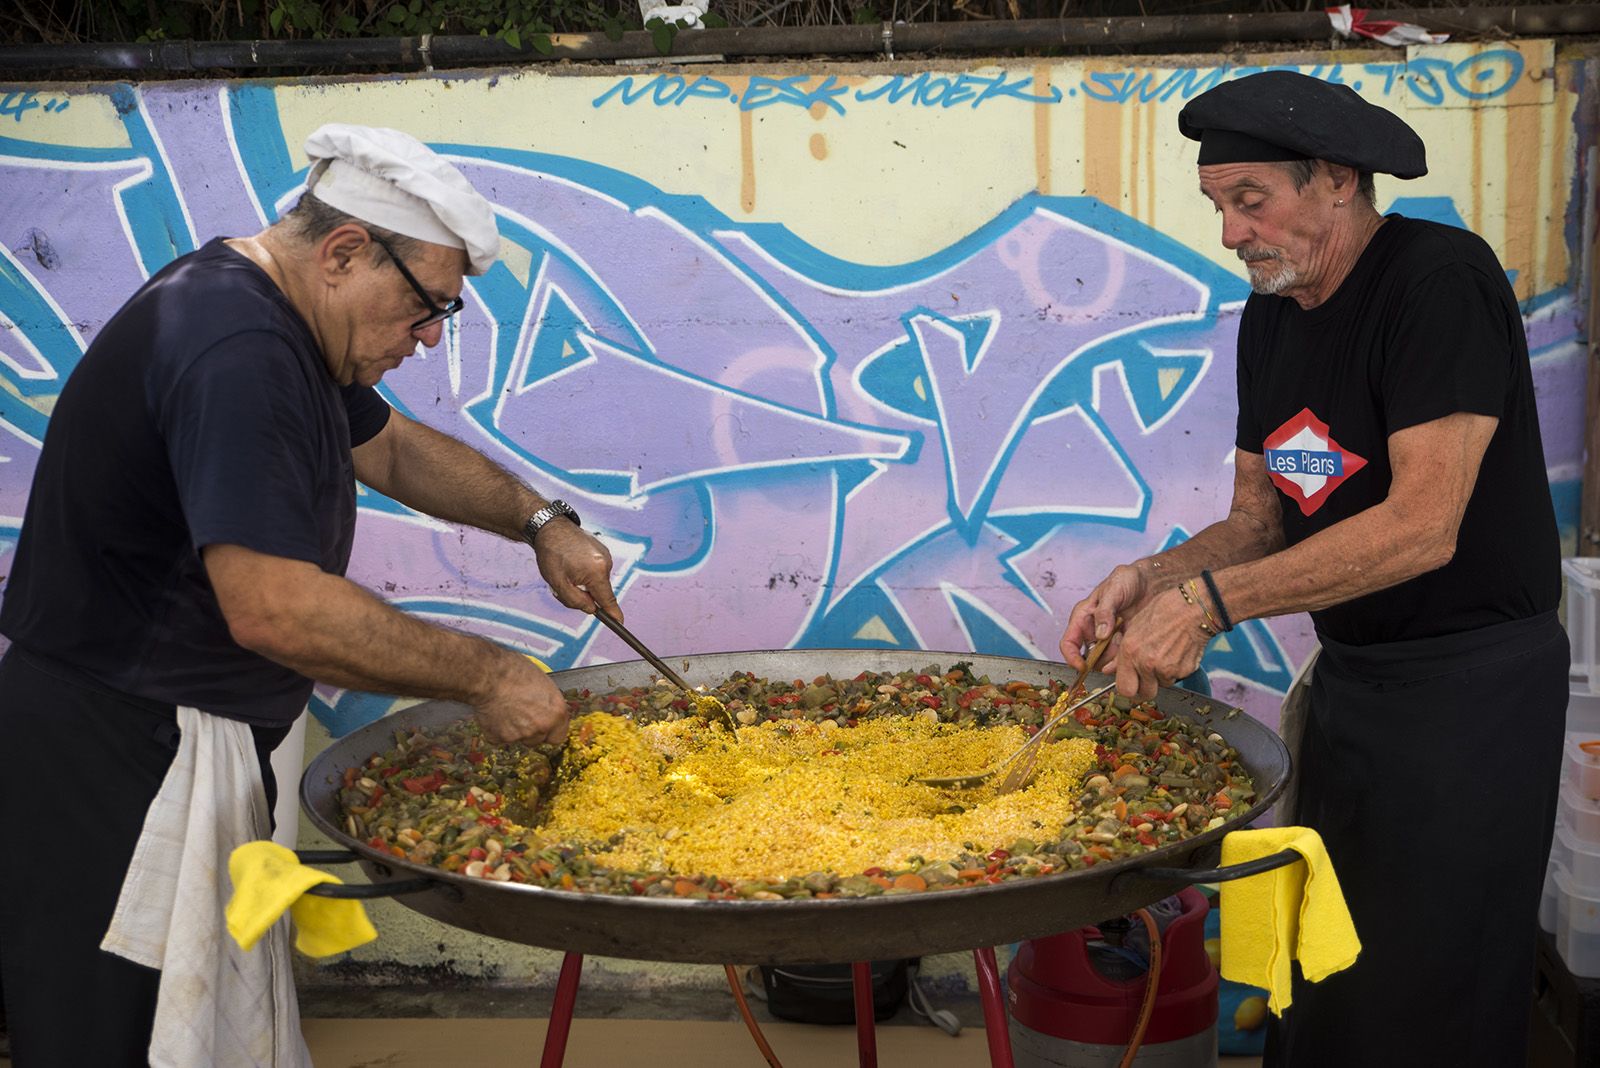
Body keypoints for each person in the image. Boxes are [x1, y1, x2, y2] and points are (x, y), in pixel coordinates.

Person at [0, 124, 622, 1066]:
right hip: (116, 748)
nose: (426, 340)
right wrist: (492, 677)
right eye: (426, 311)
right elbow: (276, 607)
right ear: (343, 252)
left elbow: (395, 448)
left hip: (169, 726)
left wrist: (542, 523)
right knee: (117, 1040)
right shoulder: (239, 349)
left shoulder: (270, 313)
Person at [1059, 72, 1567, 1067]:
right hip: (1354, 693)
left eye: (1251, 200)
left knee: (1428, 984)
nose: (1230, 233)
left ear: (1336, 181)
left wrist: (1207, 607)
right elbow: (1263, 521)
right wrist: (1153, 579)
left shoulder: (1436, 283)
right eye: (1218, 206)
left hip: (1471, 696)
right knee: (1325, 969)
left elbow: (1422, 526)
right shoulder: (1274, 314)